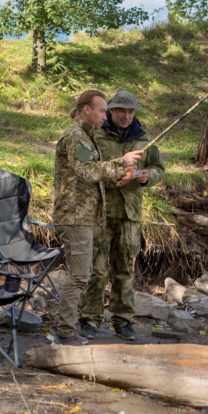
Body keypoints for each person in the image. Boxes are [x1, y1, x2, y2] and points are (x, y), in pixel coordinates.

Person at [50, 89, 143, 346]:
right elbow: (86, 172)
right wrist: (120, 164)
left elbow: (89, 175)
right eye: (102, 110)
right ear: (86, 110)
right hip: (75, 217)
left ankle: (66, 329)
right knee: (80, 276)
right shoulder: (75, 138)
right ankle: (64, 332)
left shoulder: (86, 137)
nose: (105, 115)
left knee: (83, 274)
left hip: (86, 217)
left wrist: (118, 177)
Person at [78, 91, 164, 341]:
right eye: (121, 111)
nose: (126, 116)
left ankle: (124, 321)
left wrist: (148, 176)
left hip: (130, 215)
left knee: (125, 269)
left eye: (131, 112)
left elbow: (159, 168)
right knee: (97, 269)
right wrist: (117, 170)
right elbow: (82, 166)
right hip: (100, 213)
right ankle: (89, 320)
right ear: (111, 111)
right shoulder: (93, 134)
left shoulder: (145, 139)